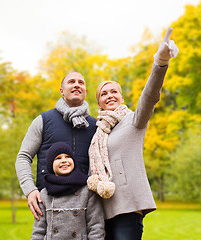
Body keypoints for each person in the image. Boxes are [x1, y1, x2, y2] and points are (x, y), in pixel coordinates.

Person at [87, 27, 179, 240]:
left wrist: (160, 62)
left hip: (128, 207)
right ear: (98, 102)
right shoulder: (98, 131)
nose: (109, 95)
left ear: (121, 96)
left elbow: (150, 96)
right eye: (103, 93)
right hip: (101, 210)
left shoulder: (134, 121)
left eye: (114, 91)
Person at [15, 71, 97, 221]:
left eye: (81, 82)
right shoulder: (43, 120)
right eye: (71, 82)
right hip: (49, 203)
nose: (77, 85)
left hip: (86, 205)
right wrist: (30, 190)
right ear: (62, 90)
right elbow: (23, 157)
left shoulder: (96, 125)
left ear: (85, 91)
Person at [31, 142, 105, 239]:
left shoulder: (87, 191)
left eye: (68, 156)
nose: (64, 161)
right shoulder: (45, 194)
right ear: (50, 165)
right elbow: (38, 231)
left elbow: (95, 226)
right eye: (58, 158)